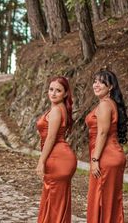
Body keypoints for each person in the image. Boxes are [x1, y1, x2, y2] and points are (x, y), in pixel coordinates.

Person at [85, 69, 127, 223]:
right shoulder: (110, 103)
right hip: (111, 154)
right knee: (109, 202)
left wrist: (95, 159)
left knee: (101, 201)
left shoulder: (104, 105)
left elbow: (102, 133)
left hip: (106, 157)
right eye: (95, 81)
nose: (96, 85)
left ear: (110, 87)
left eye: (102, 82)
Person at [36, 76, 77, 223]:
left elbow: (51, 137)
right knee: (55, 202)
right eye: (51, 89)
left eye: (58, 90)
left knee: (54, 204)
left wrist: (41, 161)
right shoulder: (59, 108)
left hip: (58, 159)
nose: (53, 93)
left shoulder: (56, 111)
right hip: (60, 157)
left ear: (65, 93)